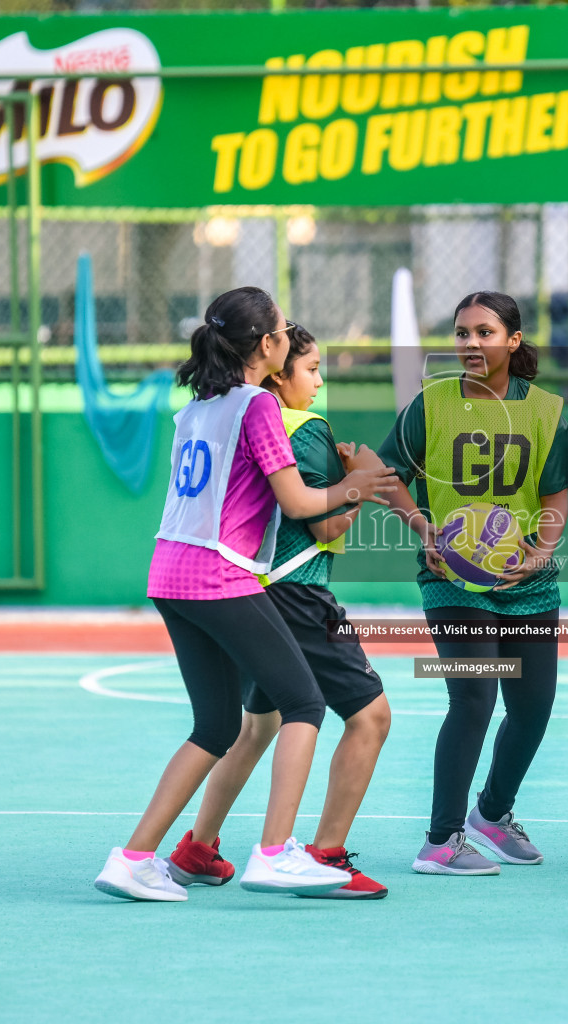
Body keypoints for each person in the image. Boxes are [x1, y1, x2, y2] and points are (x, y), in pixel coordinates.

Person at [93, 287, 398, 903]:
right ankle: (275, 853)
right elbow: (301, 504)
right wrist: (358, 484)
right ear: (267, 345)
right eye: (285, 332)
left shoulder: (197, 407)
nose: (290, 338)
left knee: (215, 725)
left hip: (168, 571)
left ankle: (133, 858)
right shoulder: (256, 406)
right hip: (218, 574)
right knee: (305, 704)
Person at [377, 291, 568, 876]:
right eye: (462, 333)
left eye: (484, 333)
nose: (470, 344)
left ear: (512, 340)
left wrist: (541, 554)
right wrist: (425, 530)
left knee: (533, 708)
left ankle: (491, 815)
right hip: (452, 580)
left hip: (524, 582)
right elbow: (387, 476)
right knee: (473, 699)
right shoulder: (430, 404)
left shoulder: (544, 411)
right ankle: (441, 839)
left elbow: (553, 498)